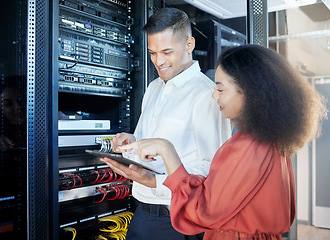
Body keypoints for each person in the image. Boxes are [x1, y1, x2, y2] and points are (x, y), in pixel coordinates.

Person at [105, 44, 328, 240]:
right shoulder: (271, 140)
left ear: (249, 93)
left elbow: (202, 211)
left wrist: (166, 150)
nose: (214, 95)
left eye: (220, 89)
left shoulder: (244, 147)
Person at [103, 7, 231, 240]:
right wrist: (131, 143)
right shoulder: (153, 89)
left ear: (189, 45)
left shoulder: (206, 95)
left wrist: (155, 181)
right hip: (142, 213)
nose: (158, 61)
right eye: (153, 52)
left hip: (178, 220)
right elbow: (145, 145)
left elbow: (213, 170)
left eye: (167, 52)